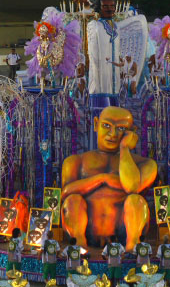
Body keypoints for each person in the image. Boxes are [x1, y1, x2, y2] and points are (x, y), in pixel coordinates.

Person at [61, 106, 157, 250]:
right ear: (95, 124)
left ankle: (133, 247)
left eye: (120, 129)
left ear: (132, 132)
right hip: (87, 231)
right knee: (72, 201)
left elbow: (132, 187)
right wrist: (102, 178)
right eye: (107, 126)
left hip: (122, 230)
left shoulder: (145, 164)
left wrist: (124, 148)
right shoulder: (75, 162)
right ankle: (79, 246)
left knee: (135, 200)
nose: (112, 134)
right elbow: (66, 193)